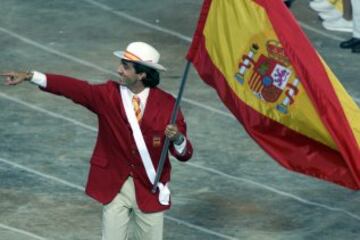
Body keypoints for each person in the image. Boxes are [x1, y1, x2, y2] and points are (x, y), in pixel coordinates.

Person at [1, 41, 193, 240]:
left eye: (125, 67)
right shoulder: (108, 95)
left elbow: (185, 153)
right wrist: (30, 76)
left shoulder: (168, 105)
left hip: (149, 188)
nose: (119, 70)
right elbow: (74, 88)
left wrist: (178, 138)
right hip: (115, 185)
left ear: (142, 74)